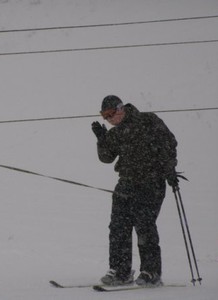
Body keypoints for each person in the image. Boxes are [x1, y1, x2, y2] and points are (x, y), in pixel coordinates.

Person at [91, 95, 179, 287]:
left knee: (144, 226)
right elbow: (106, 158)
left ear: (120, 108)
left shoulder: (148, 121)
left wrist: (169, 169)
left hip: (151, 182)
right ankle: (120, 272)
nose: (108, 119)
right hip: (126, 183)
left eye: (110, 114)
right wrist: (101, 139)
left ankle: (151, 272)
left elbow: (169, 144)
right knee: (118, 227)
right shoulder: (116, 133)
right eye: (104, 116)